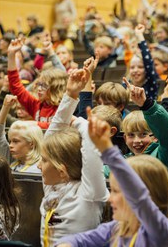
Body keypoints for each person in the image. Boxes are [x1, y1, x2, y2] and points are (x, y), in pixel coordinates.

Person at [56, 108, 168, 247]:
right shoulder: (118, 228)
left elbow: (138, 194)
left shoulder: (158, 230)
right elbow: (79, 240)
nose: (110, 198)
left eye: (117, 191)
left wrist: (107, 149)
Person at [39, 68, 109, 246]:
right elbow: (50, 138)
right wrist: (70, 95)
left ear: (62, 169)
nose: (39, 166)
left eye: (44, 161)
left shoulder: (89, 193)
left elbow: (91, 153)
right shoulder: (52, 186)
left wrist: (78, 121)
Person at [121, 79, 168, 184]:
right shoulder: (124, 161)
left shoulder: (162, 157)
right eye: (131, 135)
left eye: (143, 134)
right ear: (125, 138)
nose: (136, 140)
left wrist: (146, 105)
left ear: (156, 137)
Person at [7, 39, 68, 129]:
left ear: (55, 87)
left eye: (44, 86)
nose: (39, 89)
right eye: (39, 85)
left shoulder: (65, 106)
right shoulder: (36, 105)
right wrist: (11, 55)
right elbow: (15, 86)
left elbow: (56, 126)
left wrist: (31, 124)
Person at [0, 95, 43, 173]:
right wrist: (5, 107)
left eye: (16, 141)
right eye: (10, 141)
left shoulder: (41, 167)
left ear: (31, 144)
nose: (10, 145)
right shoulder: (14, 159)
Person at [125, 24, 159, 100]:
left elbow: (148, 62)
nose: (135, 70)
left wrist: (139, 35)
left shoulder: (151, 83)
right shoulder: (125, 85)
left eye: (140, 67)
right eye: (132, 67)